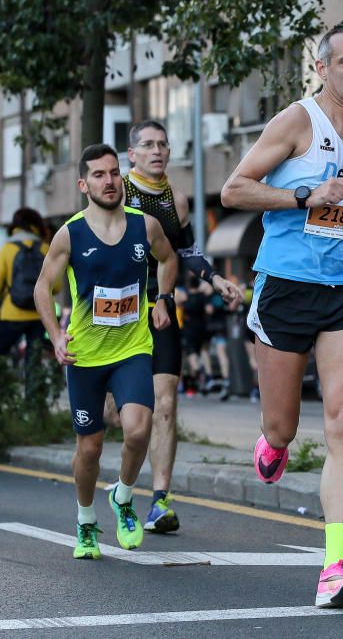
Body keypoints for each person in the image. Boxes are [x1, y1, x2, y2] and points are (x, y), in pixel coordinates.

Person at [220, 22, 343, 608]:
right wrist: (302, 196)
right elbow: (234, 190)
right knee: (283, 426)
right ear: (323, 68)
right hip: (285, 286)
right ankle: (273, 445)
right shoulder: (297, 121)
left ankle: (335, 567)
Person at [34, 143, 178, 559]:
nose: (109, 181)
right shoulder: (71, 233)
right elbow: (42, 287)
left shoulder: (144, 226)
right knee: (90, 448)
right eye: (98, 174)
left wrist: (163, 298)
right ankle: (85, 521)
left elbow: (167, 260)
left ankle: (124, 497)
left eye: (114, 172)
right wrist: (55, 336)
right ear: (83, 184)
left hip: (132, 347)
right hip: (86, 356)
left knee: (136, 429)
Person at [123, 120, 241, 533]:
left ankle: (159, 500)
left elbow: (186, 252)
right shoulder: (118, 193)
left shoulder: (179, 200)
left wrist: (217, 279)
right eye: (148, 145)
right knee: (120, 412)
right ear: (132, 154)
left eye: (163, 144)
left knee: (166, 401)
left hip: (162, 306)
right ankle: (124, 483)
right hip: (116, 313)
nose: (157, 151)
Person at [0, 207, 57, 383]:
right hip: (40, 315)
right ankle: (33, 404)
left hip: (12, 313)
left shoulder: (7, 249)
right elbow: (57, 286)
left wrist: (3, 294)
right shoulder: (45, 249)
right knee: (34, 362)